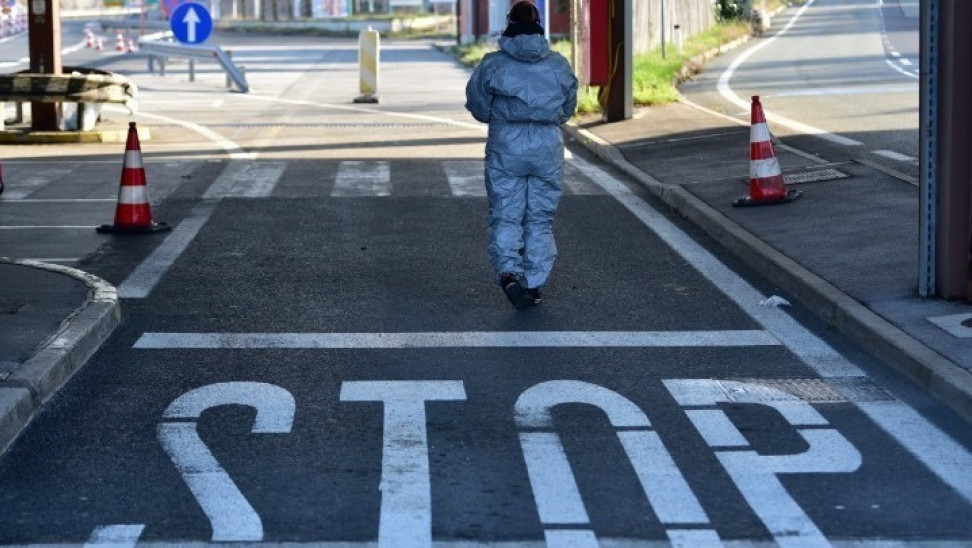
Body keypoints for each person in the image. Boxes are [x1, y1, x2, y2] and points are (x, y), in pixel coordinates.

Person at [465, 1, 578, 310]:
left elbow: (477, 105)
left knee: (506, 213)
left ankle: (508, 274)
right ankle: (534, 284)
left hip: (507, 143)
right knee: (540, 219)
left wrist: (498, 117)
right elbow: (568, 107)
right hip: (546, 143)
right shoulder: (558, 64)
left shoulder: (493, 63)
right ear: (539, 26)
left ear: (509, 25)